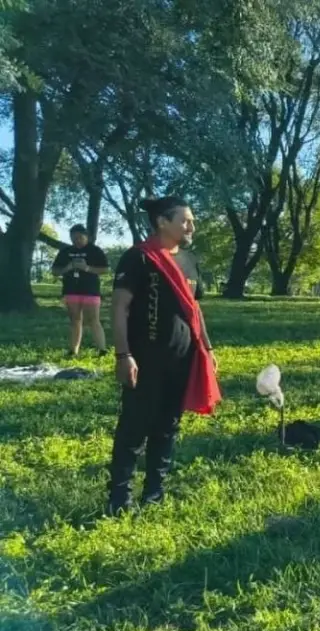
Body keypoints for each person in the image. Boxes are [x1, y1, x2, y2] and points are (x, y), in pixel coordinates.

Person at [107, 196, 221, 516]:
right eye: (185, 220)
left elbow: (195, 309)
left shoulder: (189, 260)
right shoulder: (138, 258)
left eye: (192, 220)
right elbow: (119, 307)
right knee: (134, 426)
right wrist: (123, 354)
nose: (191, 226)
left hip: (183, 359)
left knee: (167, 427)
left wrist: (208, 349)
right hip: (145, 359)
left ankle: (154, 494)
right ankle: (119, 498)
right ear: (162, 222)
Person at [50, 225, 110, 356]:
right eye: (73, 238)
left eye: (79, 238)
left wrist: (87, 268)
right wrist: (68, 268)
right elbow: (55, 271)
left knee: (93, 319)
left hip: (90, 290)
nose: (76, 240)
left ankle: (102, 349)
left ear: (86, 237)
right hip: (71, 290)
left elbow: (105, 269)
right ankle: (73, 350)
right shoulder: (65, 251)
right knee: (75, 320)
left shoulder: (95, 250)